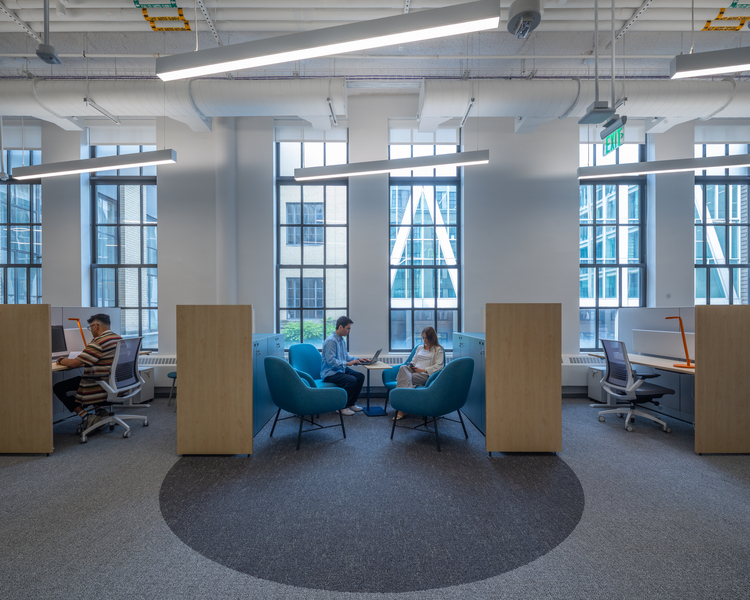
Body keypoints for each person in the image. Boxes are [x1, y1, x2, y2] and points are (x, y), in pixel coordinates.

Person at [52, 314, 123, 433]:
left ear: (96, 326)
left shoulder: (98, 342)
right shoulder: (117, 338)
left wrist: (61, 360)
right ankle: (100, 410)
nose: (90, 331)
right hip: (115, 383)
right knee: (84, 378)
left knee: (59, 387)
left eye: (90, 327)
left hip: (101, 385)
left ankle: (87, 417)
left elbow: (75, 363)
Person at [321, 316, 369, 416]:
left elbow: (345, 357)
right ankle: (342, 407)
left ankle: (351, 404)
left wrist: (357, 359)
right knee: (351, 380)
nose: (349, 331)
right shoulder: (331, 341)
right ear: (340, 327)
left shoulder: (341, 340)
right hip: (330, 373)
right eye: (348, 329)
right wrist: (347, 364)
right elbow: (331, 361)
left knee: (360, 377)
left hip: (339, 370)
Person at [393, 326, 445, 420]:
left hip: (425, 375)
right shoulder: (419, 348)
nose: (424, 340)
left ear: (432, 338)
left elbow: (439, 366)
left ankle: (402, 407)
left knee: (403, 377)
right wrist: (412, 366)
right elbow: (413, 360)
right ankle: (407, 403)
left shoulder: (438, 349)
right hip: (414, 371)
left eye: (426, 338)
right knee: (403, 368)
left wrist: (423, 370)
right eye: (423, 337)